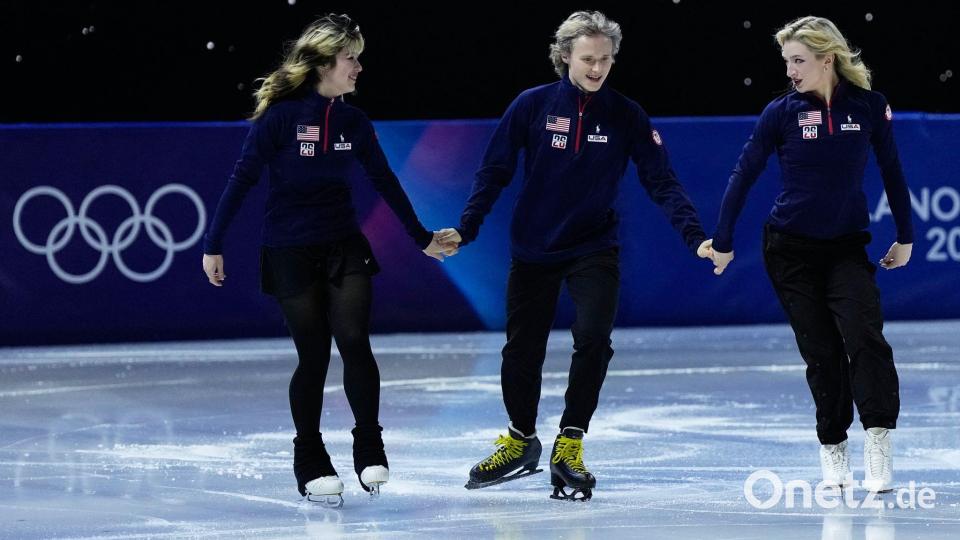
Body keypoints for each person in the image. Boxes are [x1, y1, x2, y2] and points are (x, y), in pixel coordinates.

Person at [439, 11, 708, 501]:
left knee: (594, 338)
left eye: (605, 59)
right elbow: (494, 171)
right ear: (565, 56)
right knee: (522, 349)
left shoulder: (626, 114)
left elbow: (661, 180)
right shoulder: (532, 104)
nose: (597, 68)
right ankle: (520, 440)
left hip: (594, 247)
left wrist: (695, 237)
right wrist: (467, 227)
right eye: (588, 59)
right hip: (534, 248)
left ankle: (570, 442)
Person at [201, 13, 454, 505]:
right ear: (323, 64)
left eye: (358, 57)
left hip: (342, 244)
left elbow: (384, 180)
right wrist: (214, 243)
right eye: (350, 58)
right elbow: (241, 179)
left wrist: (421, 237)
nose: (358, 67)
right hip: (289, 249)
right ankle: (310, 457)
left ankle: (369, 445)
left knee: (355, 340)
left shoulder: (354, 121)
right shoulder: (280, 118)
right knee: (313, 353)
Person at [698, 15, 913, 493]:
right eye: (787, 62)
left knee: (865, 336)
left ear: (826, 59)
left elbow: (892, 171)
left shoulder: (869, 106)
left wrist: (906, 236)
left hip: (846, 248)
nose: (790, 71)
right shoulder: (781, 112)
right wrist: (724, 240)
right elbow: (743, 174)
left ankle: (878, 438)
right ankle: (833, 445)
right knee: (821, 352)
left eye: (798, 61)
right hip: (790, 251)